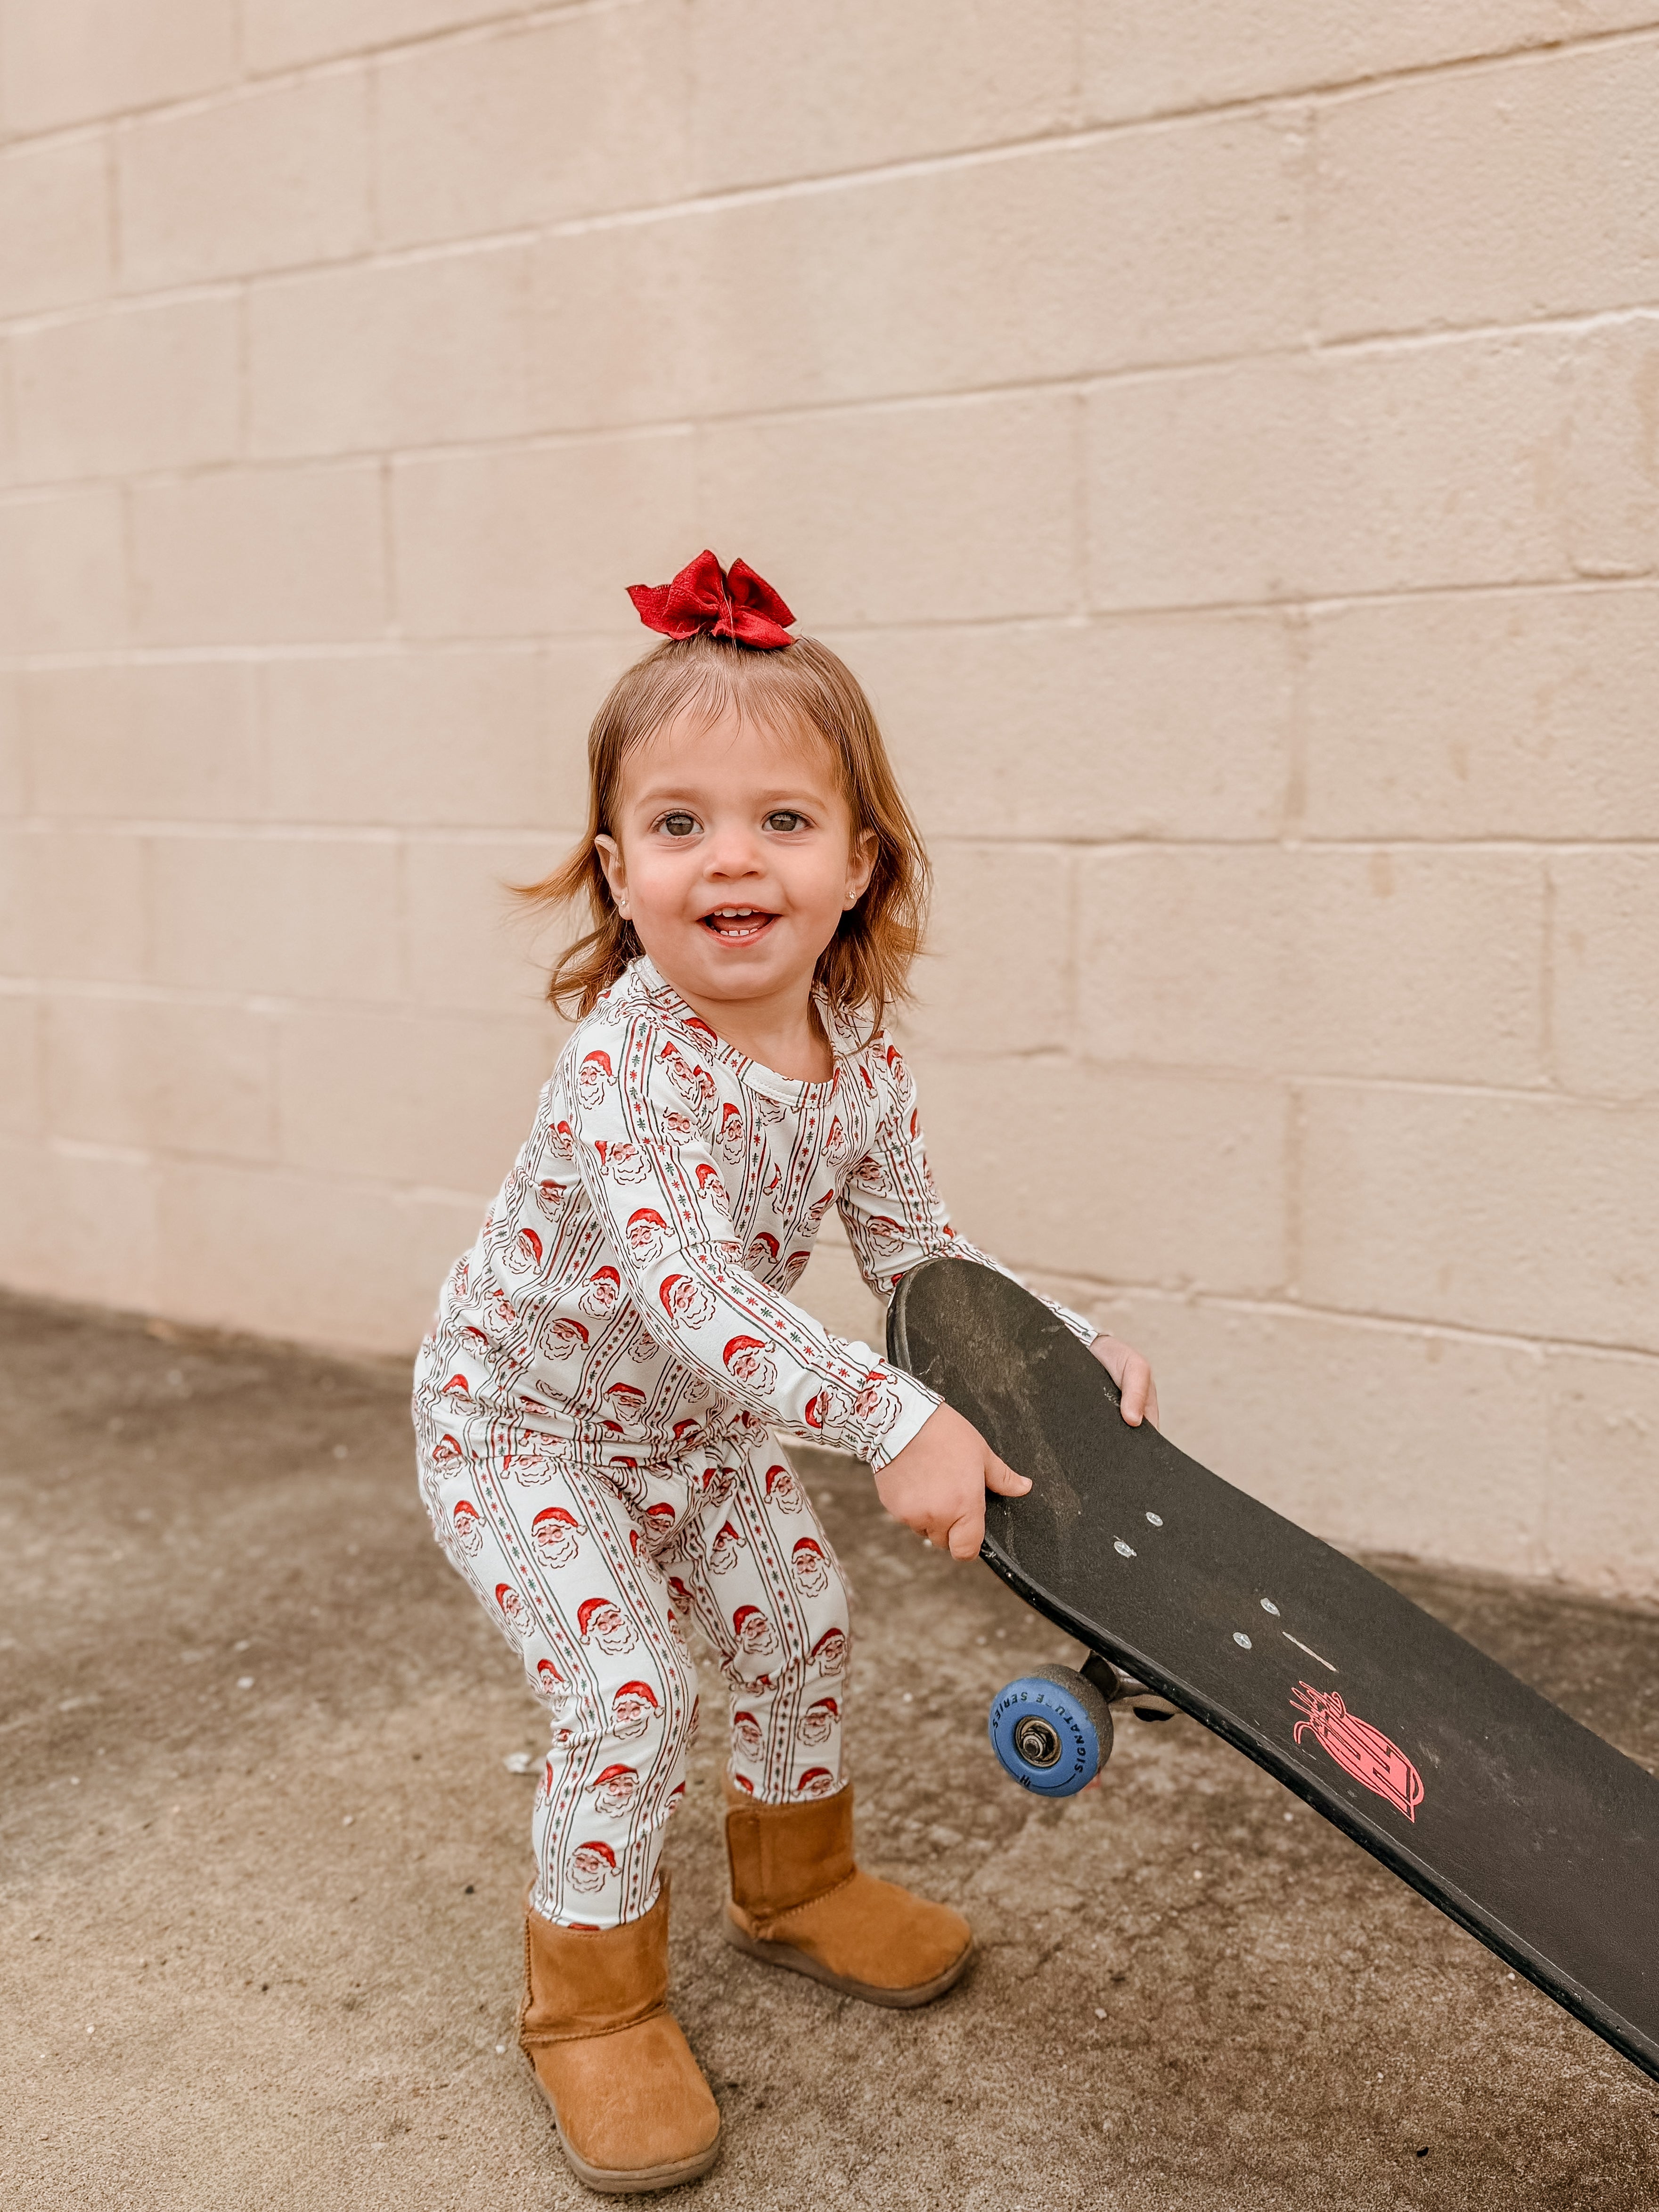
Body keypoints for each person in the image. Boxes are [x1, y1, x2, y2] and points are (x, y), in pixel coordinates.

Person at [411, 549, 1159, 2194]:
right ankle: (589, 2011)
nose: (727, 860)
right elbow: (686, 1291)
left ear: (856, 865)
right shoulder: (624, 1069)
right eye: (677, 825)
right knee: (627, 1695)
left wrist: (1056, 1344)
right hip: (522, 1427)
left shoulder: (857, 1062)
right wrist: (894, 1417)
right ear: (618, 871)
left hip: (696, 1430)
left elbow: (915, 1254)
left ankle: (796, 1886)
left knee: (801, 1624)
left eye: (779, 823)